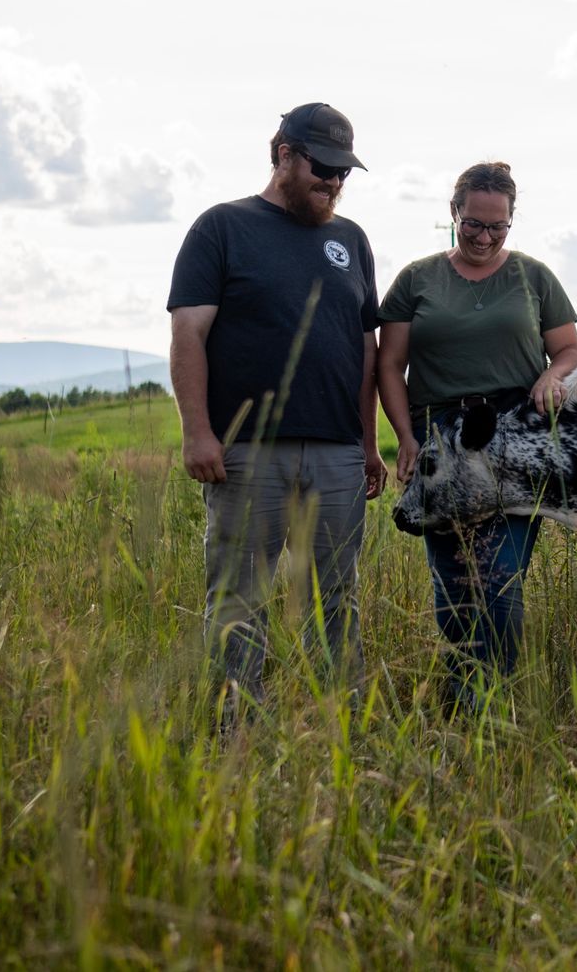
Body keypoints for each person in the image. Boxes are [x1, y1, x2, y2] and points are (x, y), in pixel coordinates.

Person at [167, 102, 389, 712]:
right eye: (324, 167)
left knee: (337, 596)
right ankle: (235, 727)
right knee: (242, 597)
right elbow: (189, 334)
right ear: (284, 155)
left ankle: (342, 724)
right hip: (246, 455)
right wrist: (198, 433)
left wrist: (368, 446)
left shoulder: (352, 241)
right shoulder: (221, 228)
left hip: (338, 456)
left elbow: (364, 350)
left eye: (345, 172)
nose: (334, 182)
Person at [377, 160, 577, 699]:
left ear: (511, 222)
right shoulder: (416, 279)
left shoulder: (534, 276)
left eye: (498, 226)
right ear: (454, 214)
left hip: (513, 444)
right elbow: (387, 365)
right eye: (473, 224)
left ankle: (493, 701)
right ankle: (461, 694)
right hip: (438, 446)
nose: (485, 237)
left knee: (498, 577)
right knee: (452, 582)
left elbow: (569, 350)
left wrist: (552, 376)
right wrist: (405, 435)